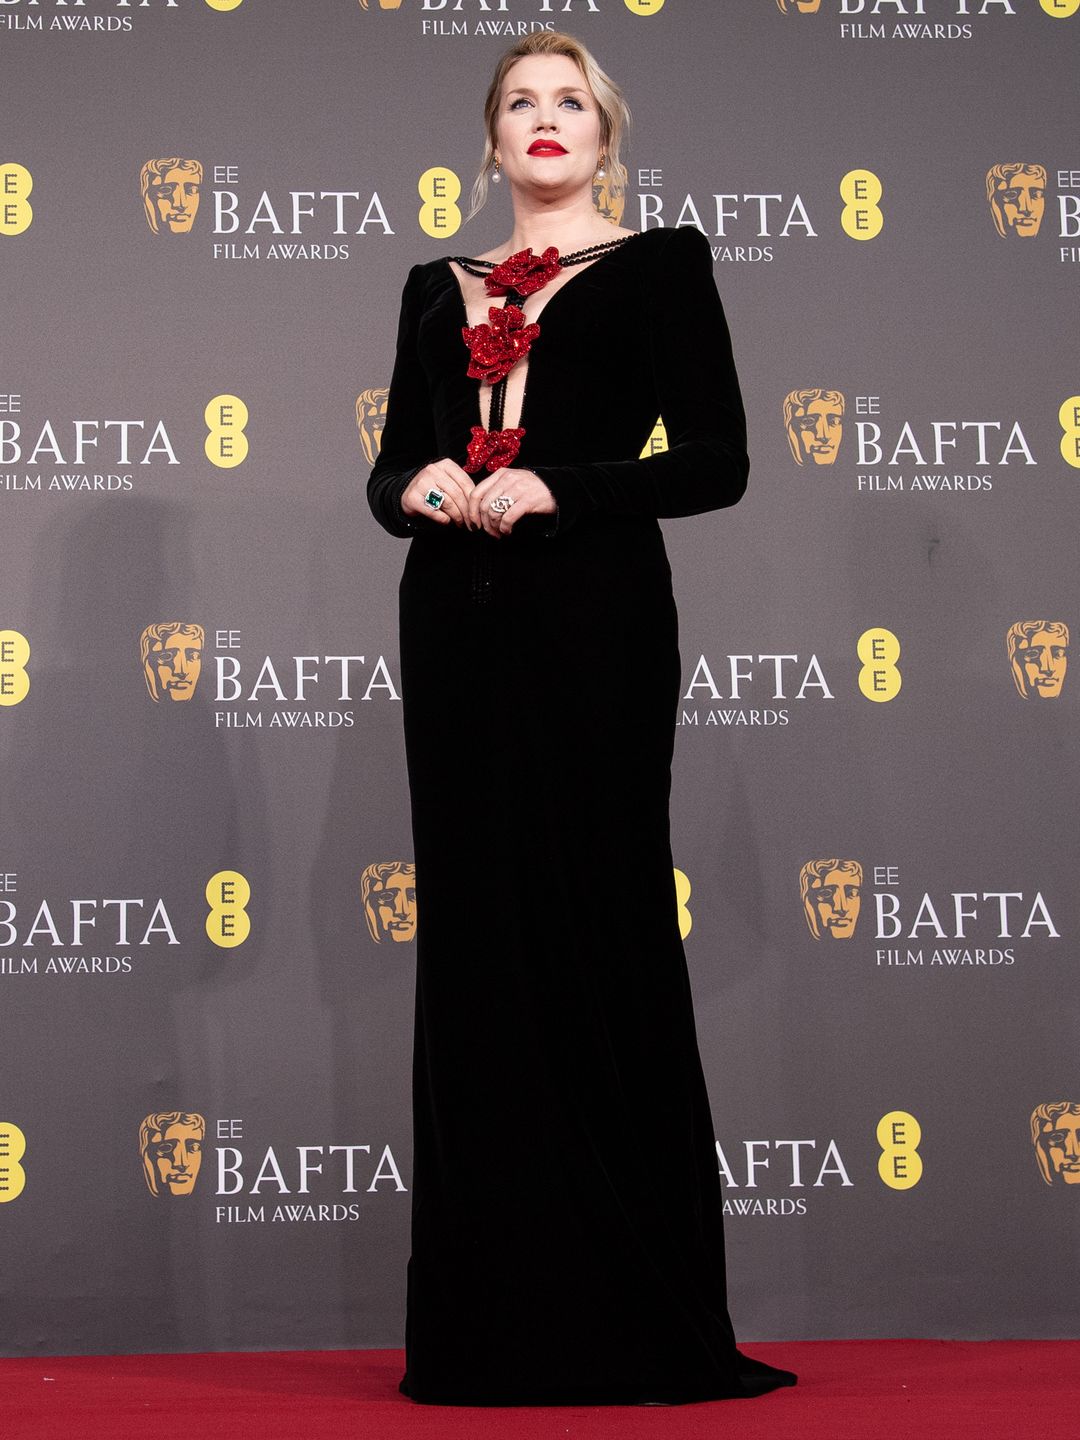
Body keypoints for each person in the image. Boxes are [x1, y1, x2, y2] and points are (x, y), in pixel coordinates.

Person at [367, 31, 796, 1406]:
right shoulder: (434, 287)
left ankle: (631, 1309)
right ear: (487, 140)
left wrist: (568, 487)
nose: (544, 123)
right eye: (518, 105)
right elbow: (388, 474)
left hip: (594, 624)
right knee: (482, 943)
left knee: (597, 920)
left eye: (571, 104)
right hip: (453, 631)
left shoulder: (662, 265)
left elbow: (721, 461)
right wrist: (419, 490)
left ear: (607, 137)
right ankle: (491, 1328)